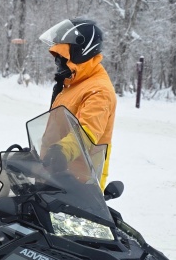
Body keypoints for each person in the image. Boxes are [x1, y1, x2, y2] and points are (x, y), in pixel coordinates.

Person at [38, 18, 117, 187]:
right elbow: (58, 128)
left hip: (81, 184)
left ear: (80, 52)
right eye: (57, 55)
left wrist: (62, 150)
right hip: (56, 175)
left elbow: (88, 132)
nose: (57, 61)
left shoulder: (99, 90)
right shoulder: (72, 84)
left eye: (62, 55)